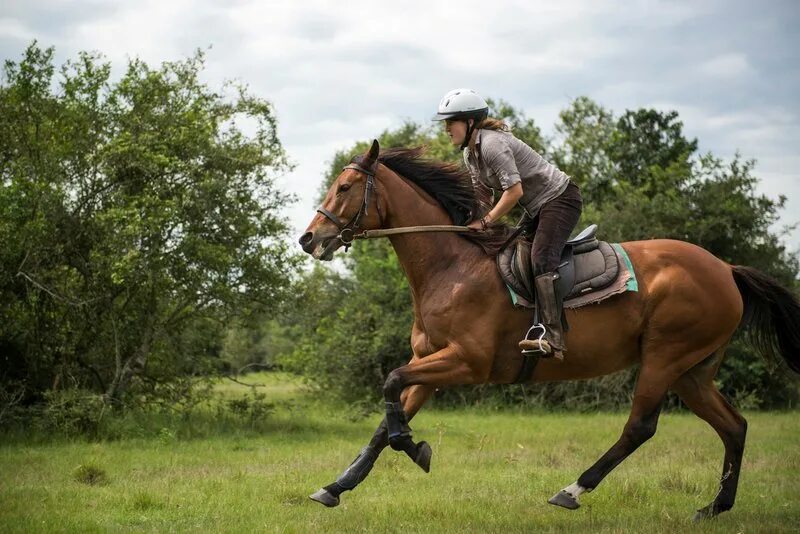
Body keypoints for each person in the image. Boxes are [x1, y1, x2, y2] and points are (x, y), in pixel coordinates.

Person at [432, 88, 583, 360]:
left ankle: (553, 335)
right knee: (511, 254)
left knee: (541, 259)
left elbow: (514, 192)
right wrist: (467, 223)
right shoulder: (470, 154)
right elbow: (483, 195)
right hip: (538, 207)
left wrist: (487, 220)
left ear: (469, 122)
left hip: (560, 199)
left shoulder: (492, 145)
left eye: (450, 122)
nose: (446, 129)